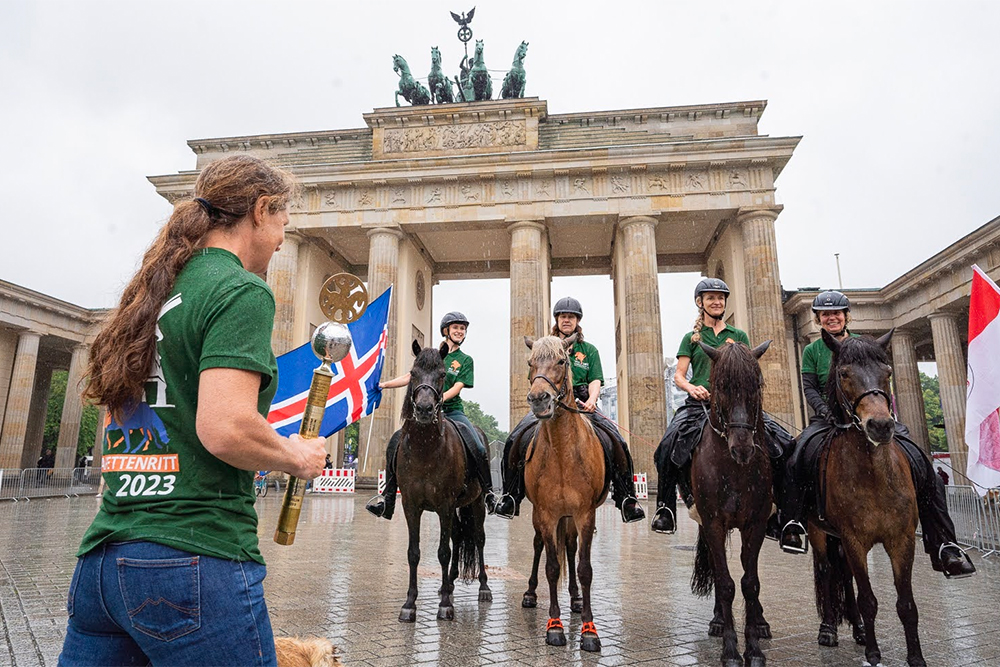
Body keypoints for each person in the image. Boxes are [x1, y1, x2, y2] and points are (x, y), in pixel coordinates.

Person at [58, 155, 328, 667]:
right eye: (281, 223)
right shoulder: (240, 289)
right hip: (193, 555)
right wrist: (296, 456)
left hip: (103, 561)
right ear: (260, 210)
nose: (281, 239)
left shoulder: (152, 293)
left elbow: (118, 421)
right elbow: (225, 428)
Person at [778, 291, 976, 578]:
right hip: (829, 419)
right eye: (825, 314)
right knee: (794, 458)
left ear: (847, 316)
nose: (831, 318)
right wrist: (824, 410)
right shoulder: (813, 350)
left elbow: (880, 381)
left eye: (837, 313)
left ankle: (945, 543)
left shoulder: (865, 345)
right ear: (818, 319)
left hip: (868, 416)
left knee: (923, 465)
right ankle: (793, 523)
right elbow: (809, 386)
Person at [651, 278, 795, 540]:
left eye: (720, 298)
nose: (716, 302)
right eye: (710, 298)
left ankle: (784, 516)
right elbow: (680, 375)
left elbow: (748, 370)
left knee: (783, 444)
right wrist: (692, 388)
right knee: (667, 445)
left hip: (734, 406)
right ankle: (665, 509)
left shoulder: (738, 336)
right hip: (700, 403)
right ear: (700, 303)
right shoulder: (691, 338)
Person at [493, 297, 645, 524]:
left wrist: (593, 400)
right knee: (514, 438)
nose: (567, 320)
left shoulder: (588, 350)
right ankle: (510, 496)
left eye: (571, 317)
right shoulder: (543, 347)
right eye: (563, 316)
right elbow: (534, 377)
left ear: (577, 321)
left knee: (617, 441)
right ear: (557, 319)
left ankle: (626, 498)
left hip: (582, 403)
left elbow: (595, 379)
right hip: (548, 403)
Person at [365, 312, 497, 519]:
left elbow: (458, 387)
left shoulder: (465, 360)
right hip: (425, 413)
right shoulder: (432, 356)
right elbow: (411, 377)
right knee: (395, 442)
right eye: (455, 328)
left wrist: (437, 400)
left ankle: (488, 494)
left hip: (452, 412)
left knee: (479, 447)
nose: (459, 331)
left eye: (462, 329)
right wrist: (384, 384)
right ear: (446, 330)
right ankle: (387, 499)